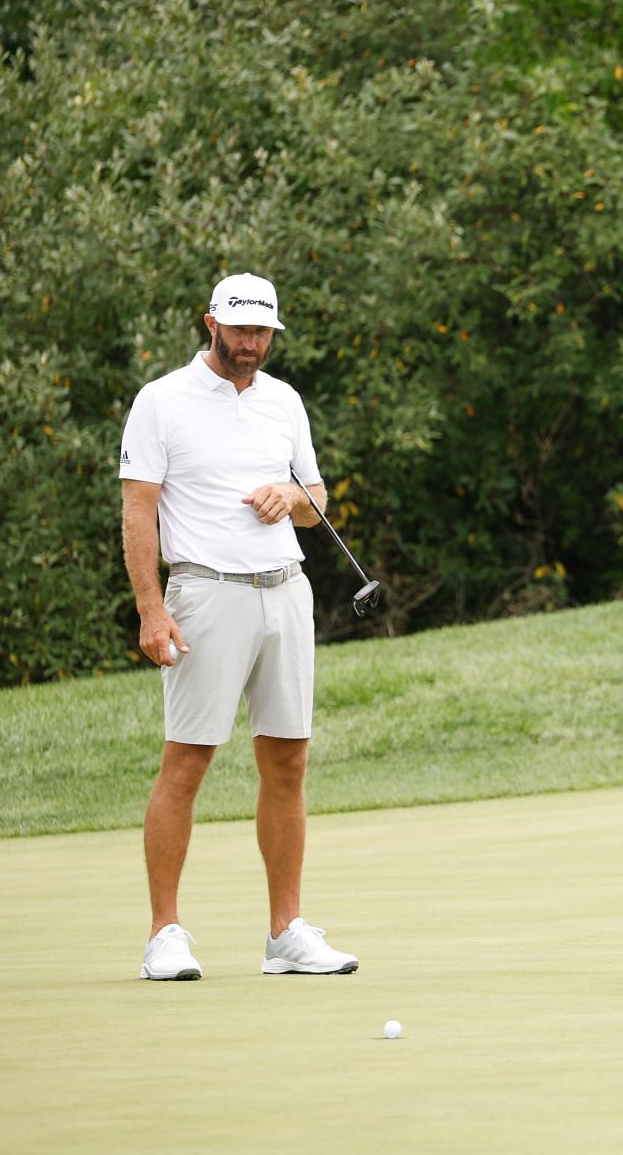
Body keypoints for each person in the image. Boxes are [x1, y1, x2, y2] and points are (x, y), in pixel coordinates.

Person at [120, 273, 359, 980]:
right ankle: (165, 933)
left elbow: (316, 500)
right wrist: (151, 608)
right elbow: (140, 512)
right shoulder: (161, 402)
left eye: (263, 333)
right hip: (204, 592)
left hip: (285, 592)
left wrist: (293, 494)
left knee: (288, 759)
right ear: (211, 324)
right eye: (240, 331)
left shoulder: (284, 400)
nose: (252, 344)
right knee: (187, 760)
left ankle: (285, 933)